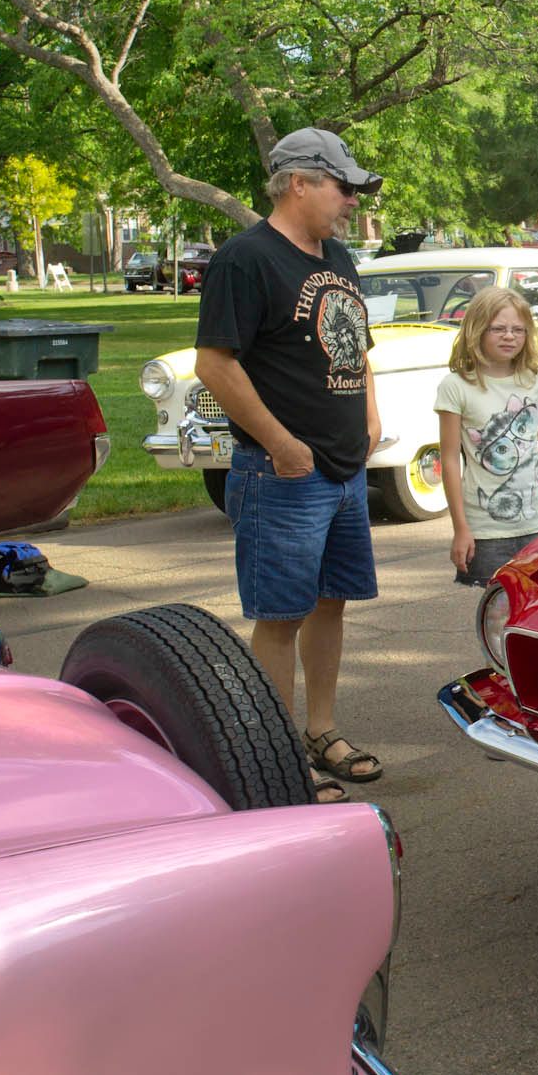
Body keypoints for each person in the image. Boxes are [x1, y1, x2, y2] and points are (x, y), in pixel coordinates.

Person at [193, 126, 385, 803]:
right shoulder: (245, 260)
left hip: (343, 470)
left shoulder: (338, 255)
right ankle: (278, 761)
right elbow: (214, 364)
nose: (352, 202)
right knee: (282, 614)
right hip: (283, 475)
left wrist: (369, 412)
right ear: (298, 181)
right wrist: (279, 441)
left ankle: (321, 731)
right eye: (343, 187)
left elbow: (356, 343)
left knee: (330, 602)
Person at [436, 286, 538, 587]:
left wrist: (526, 438)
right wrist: (460, 528)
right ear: (477, 330)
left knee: (537, 607)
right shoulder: (456, 386)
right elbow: (450, 459)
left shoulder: (535, 380)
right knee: (496, 610)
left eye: (519, 329)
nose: (510, 336)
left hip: (536, 524)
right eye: (499, 329)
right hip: (486, 530)